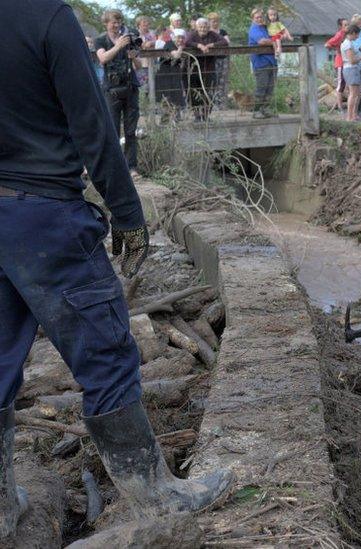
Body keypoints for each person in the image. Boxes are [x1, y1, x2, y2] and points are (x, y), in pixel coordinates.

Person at [1, 0, 234, 537]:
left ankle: (2, 510)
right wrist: (127, 214)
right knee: (105, 354)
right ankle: (156, 497)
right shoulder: (45, 17)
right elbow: (93, 121)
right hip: (43, 217)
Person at [94, 9, 140, 175]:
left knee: (131, 130)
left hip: (130, 87)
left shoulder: (128, 37)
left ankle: (131, 167)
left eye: (119, 21)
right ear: (106, 23)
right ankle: (114, 167)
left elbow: (139, 65)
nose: (117, 25)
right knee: (112, 130)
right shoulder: (101, 40)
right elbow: (103, 58)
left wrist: (133, 56)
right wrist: (118, 46)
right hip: (111, 90)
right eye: (113, 22)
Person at [185, 17, 228, 121]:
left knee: (208, 92)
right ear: (196, 27)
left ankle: (205, 115)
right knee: (194, 92)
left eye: (205, 27)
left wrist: (211, 45)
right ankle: (196, 115)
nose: (203, 29)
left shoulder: (212, 34)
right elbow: (187, 42)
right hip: (194, 68)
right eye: (200, 27)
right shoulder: (193, 34)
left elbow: (224, 42)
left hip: (209, 68)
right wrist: (199, 45)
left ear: (208, 27)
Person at [248, 8, 277, 119]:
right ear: (253, 19)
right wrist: (275, 41)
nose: (260, 19)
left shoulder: (265, 28)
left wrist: (275, 39)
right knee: (261, 87)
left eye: (261, 17)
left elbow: (278, 35)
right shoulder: (254, 29)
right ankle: (256, 111)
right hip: (261, 63)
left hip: (272, 61)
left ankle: (265, 109)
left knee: (270, 88)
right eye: (257, 17)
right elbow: (262, 41)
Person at [155, 28, 187, 121]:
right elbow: (176, 55)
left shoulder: (178, 46)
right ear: (174, 37)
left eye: (182, 38)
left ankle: (177, 117)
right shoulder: (169, 44)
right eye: (178, 38)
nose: (180, 40)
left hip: (175, 74)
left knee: (177, 94)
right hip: (165, 74)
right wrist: (181, 48)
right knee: (166, 95)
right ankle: (165, 118)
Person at [341, 24, 361, 121]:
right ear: (352, 33)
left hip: (354, 69)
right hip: (351, 69)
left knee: (360, 92)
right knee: (353, 93)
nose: (357, 37)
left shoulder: (350, 43)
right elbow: (351, 60)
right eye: (357, 35)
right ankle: (349, 116)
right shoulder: (347, 44)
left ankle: (354, 114)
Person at [208, 12, 230, 109]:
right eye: (213, 21)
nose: (215, 23)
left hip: (224, 58)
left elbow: (227, 42)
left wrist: (215, 43)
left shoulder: (223, 31)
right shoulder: (208, 33)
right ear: (209, 22)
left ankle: (222, 104)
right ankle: (213, 103)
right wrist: (220, 42)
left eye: (217, 21)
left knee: (223, 81)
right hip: (212, 60)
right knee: (213, 81)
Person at [325, 18, 348, 109]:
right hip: (340, 63)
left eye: (348, 24)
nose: (347, 26)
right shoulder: (339, 35)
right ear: (340, 27)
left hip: (348, 63)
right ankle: (340, 107)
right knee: (341, 84)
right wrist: (337, 48)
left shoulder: (348, 35)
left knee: (347, 84)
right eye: (345, 25)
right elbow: (327, 45)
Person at [134, 16, 157, 88]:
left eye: (147, 23)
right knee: (143, 85)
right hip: (140, 64)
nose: (146, 25)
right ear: (138, 25)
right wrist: (145, 44)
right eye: (144, 23)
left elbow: (158, 42)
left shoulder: (152, 33)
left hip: (153, 63)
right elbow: (138, 46)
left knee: (153, 85)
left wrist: (152, 43)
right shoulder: (135, 34)